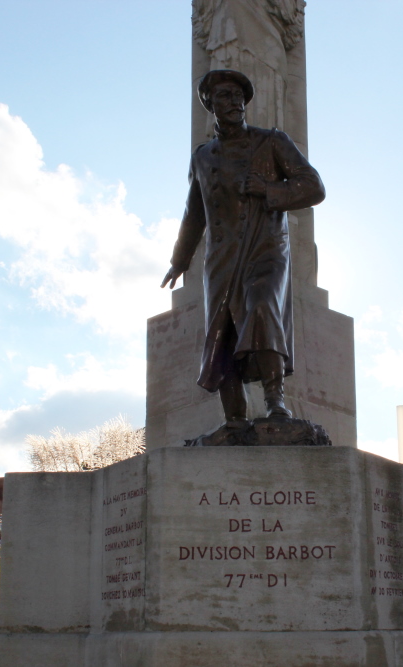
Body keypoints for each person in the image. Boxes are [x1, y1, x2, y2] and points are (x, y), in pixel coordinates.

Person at [161, 69, 325, 427]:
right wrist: (179, 259)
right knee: (222, 331)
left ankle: (275, 401)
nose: (234, 102)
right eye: (224, 96)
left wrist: (270, 191)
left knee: (263, 306)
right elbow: (194, 214)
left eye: (238, 96)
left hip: (264, 248)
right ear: (211, 105)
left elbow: (314, 187)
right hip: (221, 258)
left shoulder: (272, 142)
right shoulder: (202, 157)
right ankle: (234, 420)